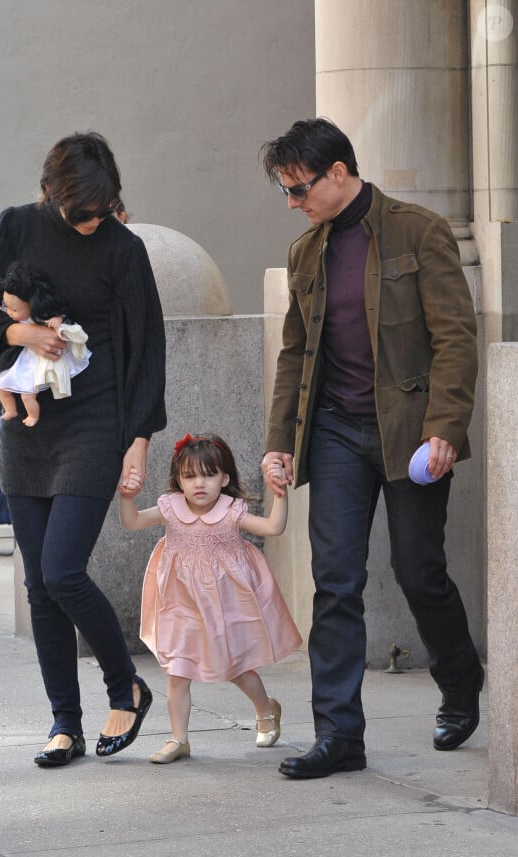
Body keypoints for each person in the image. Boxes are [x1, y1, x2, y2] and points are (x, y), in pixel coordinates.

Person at [259, 118, 483, 779]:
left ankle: (461, 679)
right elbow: (296, 351)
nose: (293, 203)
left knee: (419, 571)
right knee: (335, 581)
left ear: (337, 173)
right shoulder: (308, 254)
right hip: (334, 431)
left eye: (298, 189)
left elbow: (456, 338)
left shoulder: (418, 231)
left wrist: (445, 424)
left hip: (411, 431)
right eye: (286, 193)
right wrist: (280, 442)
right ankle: (338, 734)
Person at [0, 131, 166, 767]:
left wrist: (138, 442)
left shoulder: (125, 250)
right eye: (81, 211)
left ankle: (124, 687)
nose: (92, 222)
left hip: (95, 423)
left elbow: (148, 349)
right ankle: (63, 723)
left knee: (61, 571)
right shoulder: (16, 227)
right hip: (29, 427)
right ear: (53, 194)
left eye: (101, 210)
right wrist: (21, 329)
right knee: (42, 588)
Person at [119, 433, 302, 764]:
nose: (198, 484)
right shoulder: (170, 509)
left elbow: (273, 527)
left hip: (224, 604)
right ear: (178, 480)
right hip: (179, 603)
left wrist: (280, 495)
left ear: (225, 478)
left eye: (208, 474)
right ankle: (179, 739)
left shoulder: (231, 512)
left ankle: (266, 708)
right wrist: (127, 496)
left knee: (236, 667)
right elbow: (130, 522)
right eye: (189, 476)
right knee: (177, 670)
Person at [0, 261, 91, 427]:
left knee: (28, 395)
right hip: (20, 359)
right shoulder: (16, 316)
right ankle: (10, 410)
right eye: (8, 308)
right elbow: (6, 312)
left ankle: (33, 416)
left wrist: (57, 319)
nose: (11, 313)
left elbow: (62, 319)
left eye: (15, 309)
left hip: (34, 362)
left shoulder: (38, 317)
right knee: (2, 388)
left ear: (31, 304)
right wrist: (0, 308)